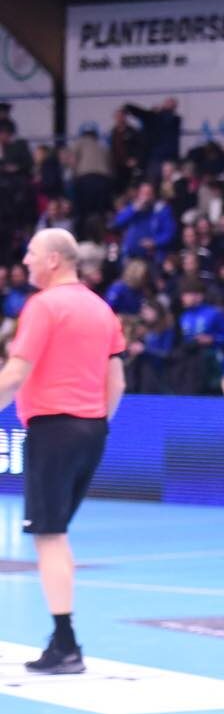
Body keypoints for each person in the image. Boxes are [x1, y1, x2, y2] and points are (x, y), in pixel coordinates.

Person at [0, 229, 126, 674]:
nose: (25, 261)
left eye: (31, 254)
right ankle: (62, 638)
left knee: (49, 536)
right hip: (91, 429)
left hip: (53, 428)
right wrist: (95, 423)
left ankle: (66, 643)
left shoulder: (44, 306)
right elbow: (117, 383)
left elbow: (15, 375)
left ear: (53, 259)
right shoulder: (101, 308)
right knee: (57, 534)